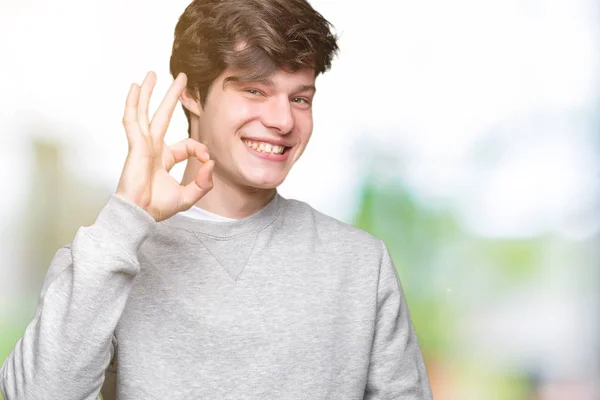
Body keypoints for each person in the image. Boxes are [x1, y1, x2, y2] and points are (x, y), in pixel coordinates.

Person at [0, 0, 433, 398]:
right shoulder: (108, 254)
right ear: (191, 94)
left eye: (299, 98)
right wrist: (127, 216)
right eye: (254, 91)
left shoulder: (360, 265)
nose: (283, 121)